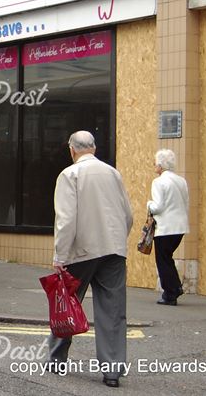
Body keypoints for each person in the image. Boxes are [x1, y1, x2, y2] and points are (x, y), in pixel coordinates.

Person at [48, 131, 134, 389]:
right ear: (93, 148)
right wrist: (118, 239)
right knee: (113, 310)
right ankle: (112, 371)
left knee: (67, 302)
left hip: (81, 251)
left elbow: (66, 220)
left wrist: (59, 256)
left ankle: (57, 359)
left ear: (72, 150)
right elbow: (127, 214)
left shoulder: (69, 174)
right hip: (113, 249)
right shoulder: (113, 173)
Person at [147, 149, 190, 306]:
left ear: (160, 165)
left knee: (162, 260)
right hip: (180, 226)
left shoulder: (158, 182)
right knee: (167, 258)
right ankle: (175, 287)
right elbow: (185, 203)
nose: (154, 165)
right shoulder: (181, 181)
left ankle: (170, 293)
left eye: (155, 163)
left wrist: (149, 204)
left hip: (165, 227)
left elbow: (158, 207)